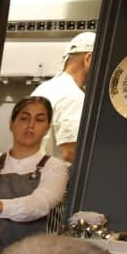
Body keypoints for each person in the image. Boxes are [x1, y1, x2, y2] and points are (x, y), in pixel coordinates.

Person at [0, 96, 70, 249]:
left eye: (39, 120)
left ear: (47, 128)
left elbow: (39, 204)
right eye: (24, 118)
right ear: (11, 124)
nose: (31, 125)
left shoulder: (55, 168)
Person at [31, 31, 94, 163]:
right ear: (88, 59)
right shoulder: (73, 96)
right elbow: (71, 152)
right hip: (56, 180)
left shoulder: (44, 88)